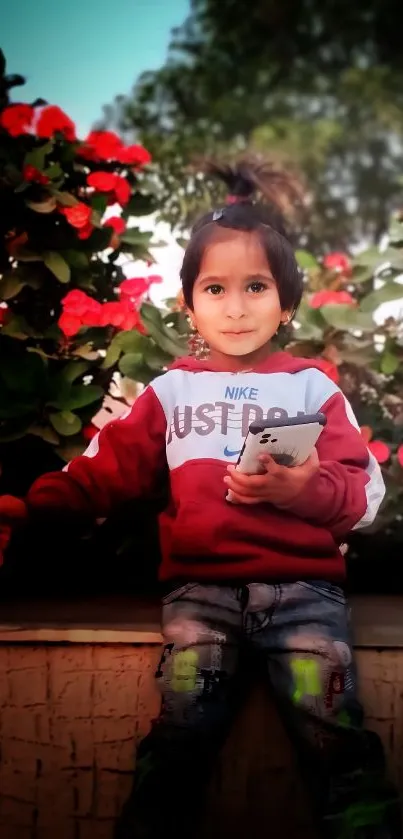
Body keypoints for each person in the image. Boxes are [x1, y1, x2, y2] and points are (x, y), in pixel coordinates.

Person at [0, 158, 400, 839]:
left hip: (302, 595)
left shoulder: (311, 387)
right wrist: (31, 508)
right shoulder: (171, 392)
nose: (236, 306)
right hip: (201, 601)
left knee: (333, 735)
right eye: (215, 288)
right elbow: (105, 471)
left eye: (255, 287)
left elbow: (362, 492)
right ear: (188, 305)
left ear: (286, 303)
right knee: (180, 736)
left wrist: (302, 489)